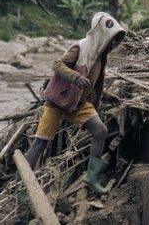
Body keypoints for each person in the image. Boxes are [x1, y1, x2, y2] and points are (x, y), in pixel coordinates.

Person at [24, 12, 125, 195]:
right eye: (111, 40)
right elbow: (58, 65)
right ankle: (24, 184)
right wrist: (75, 77)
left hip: (79, 102)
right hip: (59, 100)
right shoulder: (79, 47)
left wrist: (108, 96)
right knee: (41, 142)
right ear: (101, 36)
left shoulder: (101, 57)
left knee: (100, 131)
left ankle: (92, 177)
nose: (113, 44)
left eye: (115, 41)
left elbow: (94, 84)